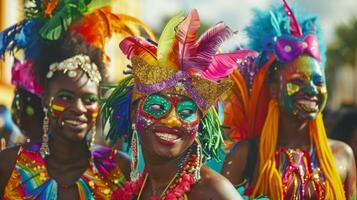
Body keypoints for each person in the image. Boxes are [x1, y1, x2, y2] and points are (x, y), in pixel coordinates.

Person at [0, 0, 155, 198]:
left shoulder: (119, 169)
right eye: (65, 97)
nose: (78, 108)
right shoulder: (9, 166)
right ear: (46, 99)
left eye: (89, 99)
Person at [221, 1, 356, 199]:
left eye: (318, 81)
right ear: (274, 87)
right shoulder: (247, 155)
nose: (311, 89)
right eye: (298, 81)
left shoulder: (342, 154)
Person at [103, 9, 242, 200]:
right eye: (157, 107)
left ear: (199, 122)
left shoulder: (212, 192)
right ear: (134, 112)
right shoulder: (137, 189)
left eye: (186, 111)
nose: (172, 120)